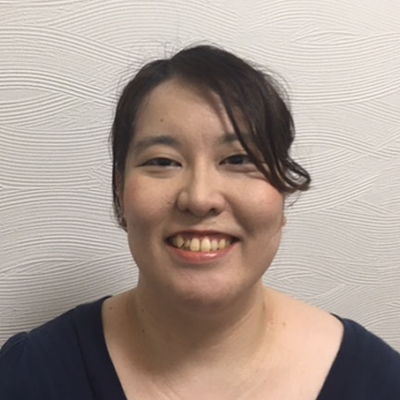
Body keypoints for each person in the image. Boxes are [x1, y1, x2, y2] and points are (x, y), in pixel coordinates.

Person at [0, 45, 399, 400]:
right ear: (120, 192)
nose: (200, 198)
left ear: (282, 191)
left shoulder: (379, 381)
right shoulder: (29, 376)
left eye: (238, 159)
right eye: (163, 161)